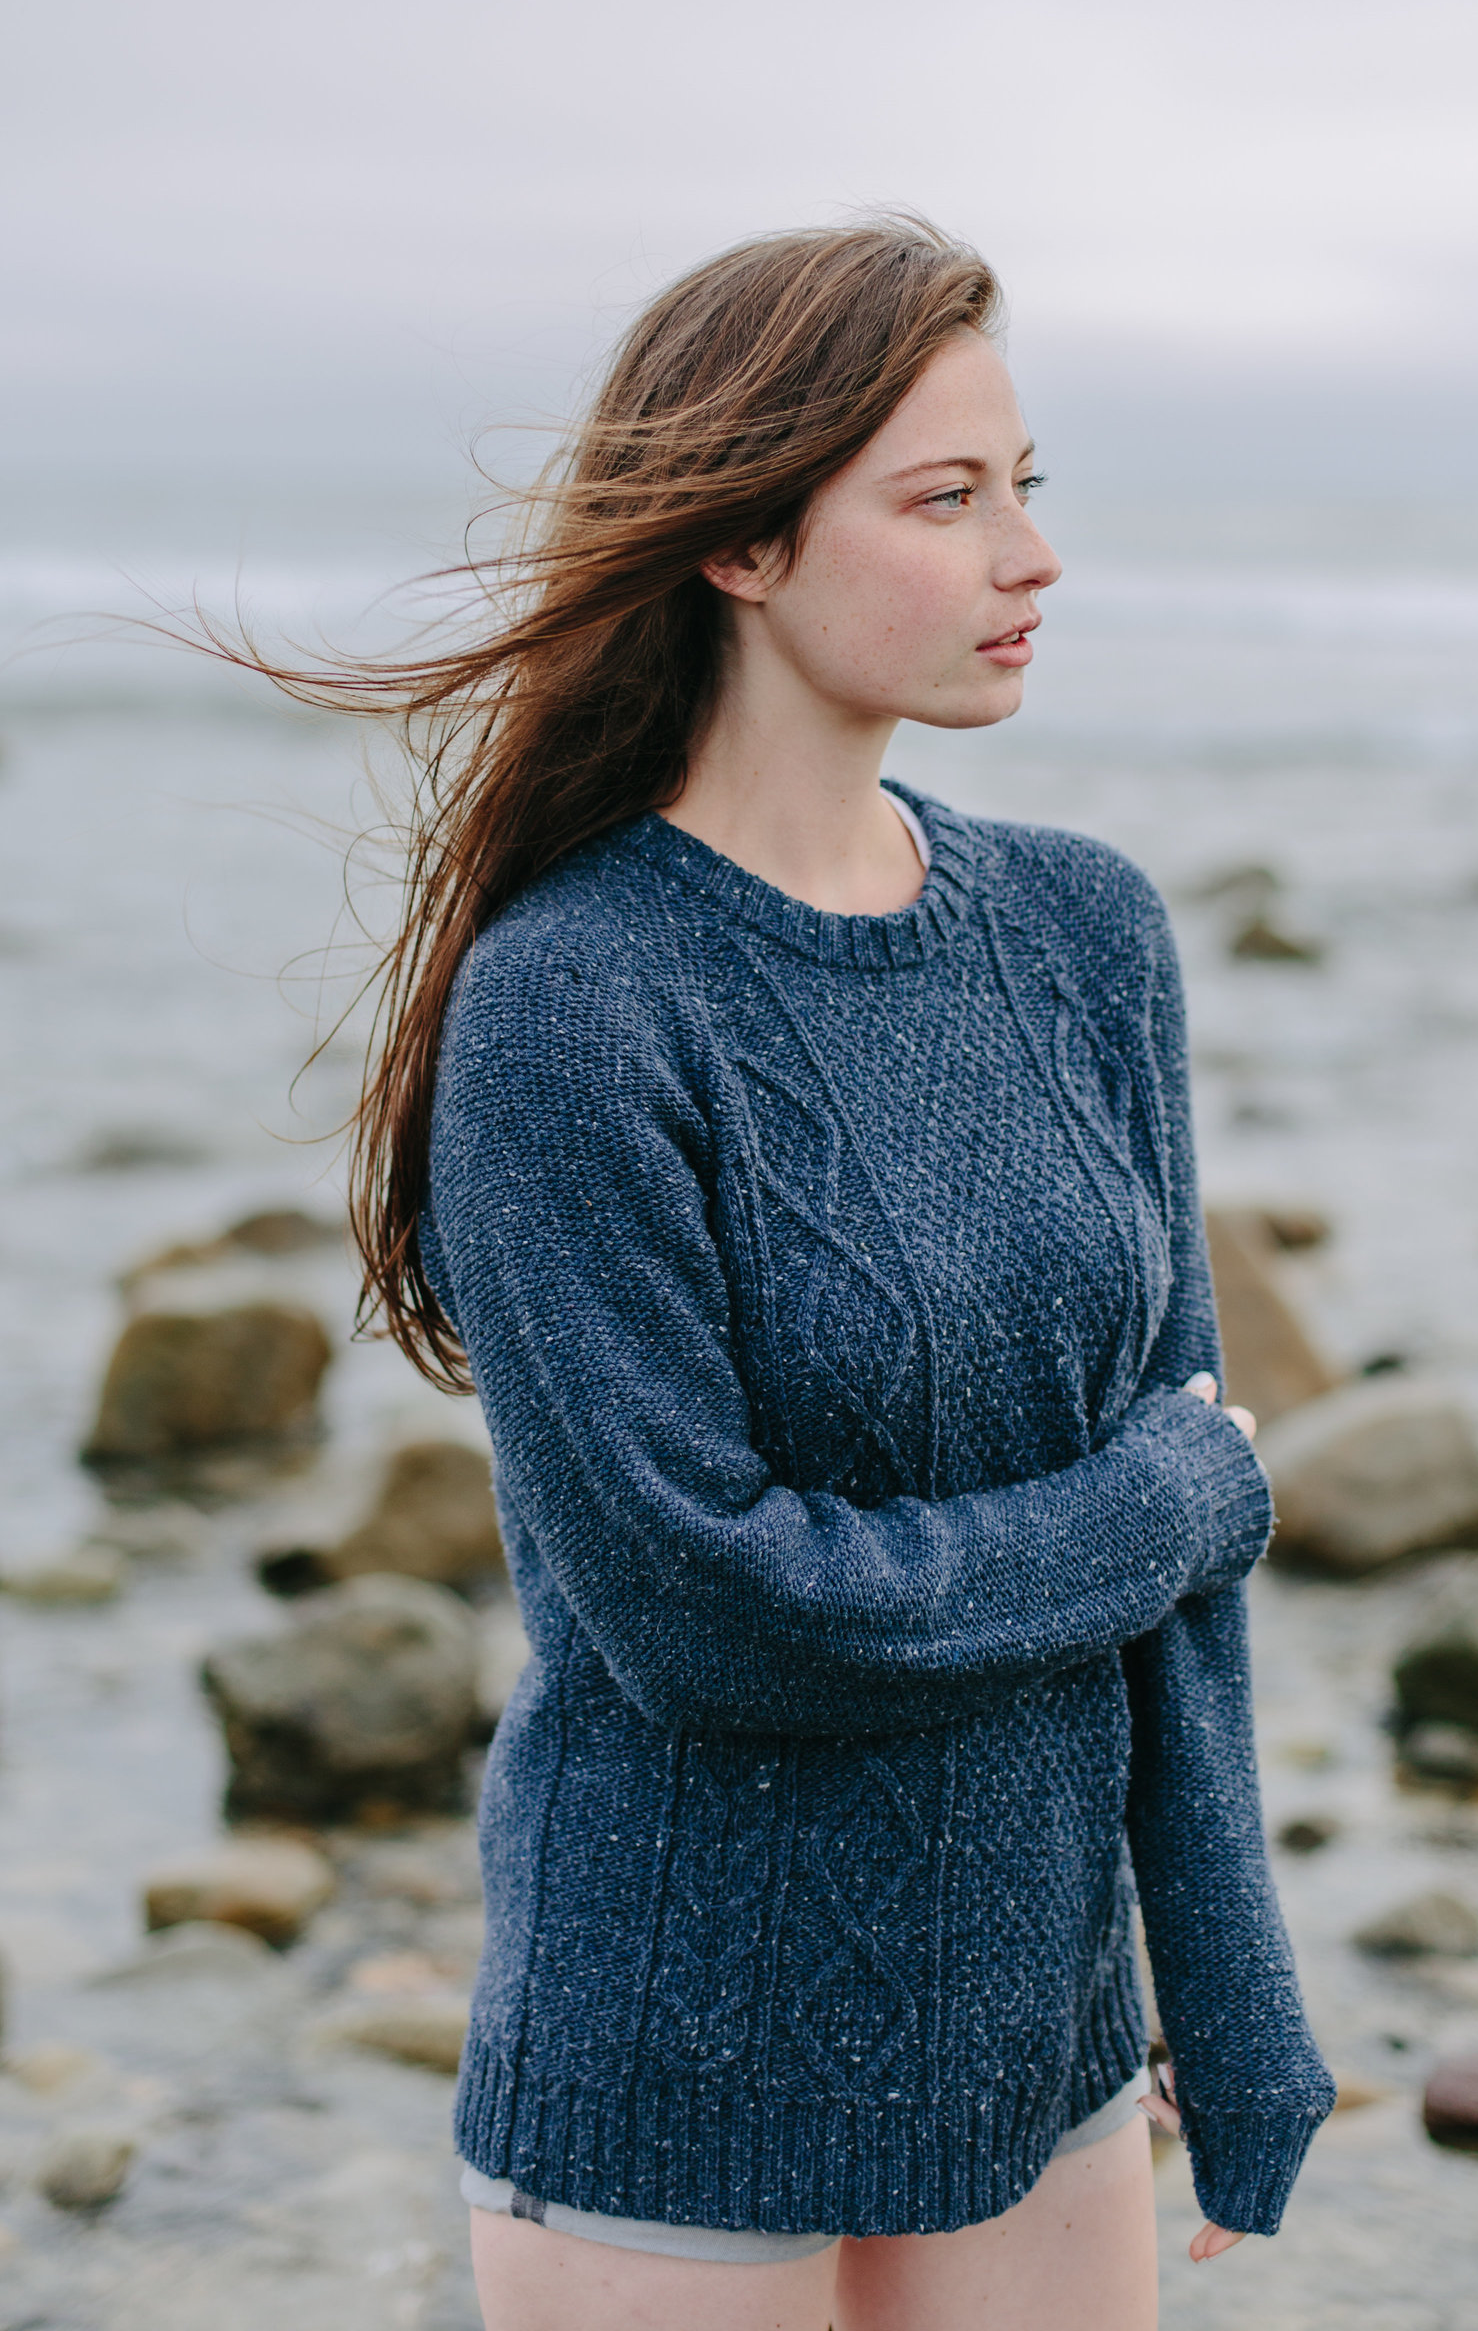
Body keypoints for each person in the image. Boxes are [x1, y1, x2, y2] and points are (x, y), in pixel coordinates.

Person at [323, 218, 1334, 2329]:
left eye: (1026, 488)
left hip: (1037, 2039)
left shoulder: (1079, 930)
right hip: (673, 2067)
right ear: (740, 547)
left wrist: (1225, 2022)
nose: (1027, 558)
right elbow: (713, 1612)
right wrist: (1153, 1507)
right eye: (945, 501)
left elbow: (1182, 1583)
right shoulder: (577, 1003)